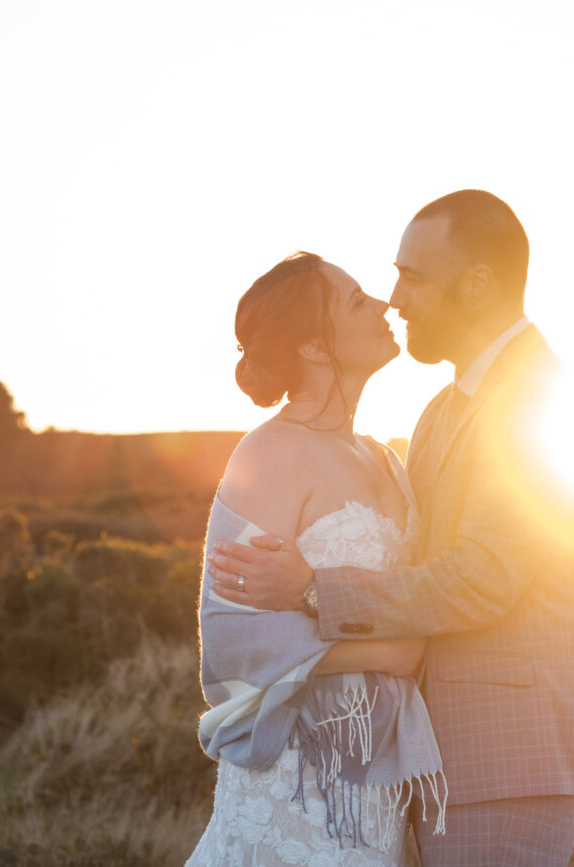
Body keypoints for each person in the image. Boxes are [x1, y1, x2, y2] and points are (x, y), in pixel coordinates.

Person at [211, 190, 574, 866]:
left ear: (478, 283)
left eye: (413, 276)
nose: (395, 298)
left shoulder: (538, 397)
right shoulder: (439, 413)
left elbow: (485, 577)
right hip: (418, 766)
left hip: (504, 754)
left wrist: (315, 589)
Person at [187, 252, 447, 866]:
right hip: (294, 776)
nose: (384, 305)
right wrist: (391, 652)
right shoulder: (272, 451)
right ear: (312, 346)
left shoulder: (385, 458)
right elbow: (233, 640)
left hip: (377, 773)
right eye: (358, 301)